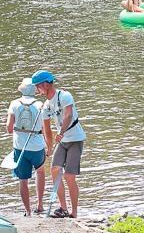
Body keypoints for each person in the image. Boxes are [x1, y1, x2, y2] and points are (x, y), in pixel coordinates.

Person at [31, 69, 85, 219]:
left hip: (75, 139)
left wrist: (61, 132)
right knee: (54, 170)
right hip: (62, 142)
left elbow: (68, 114)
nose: (37, 90)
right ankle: (63, 208)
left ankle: (74, 212)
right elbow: (47, 130)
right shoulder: (46, 106)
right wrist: (48, 148)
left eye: (38, 86)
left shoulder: (65, 96)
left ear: (46, 84)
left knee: (69, 176)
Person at [5, 78, 47, 215]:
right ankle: (40, 205)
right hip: (37, 146)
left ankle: (27, 211)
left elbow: (9, 129)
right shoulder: (40, 104)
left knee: (23, 180)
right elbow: (46, 128)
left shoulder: (14, 104)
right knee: (40, 173)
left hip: (20, 147)